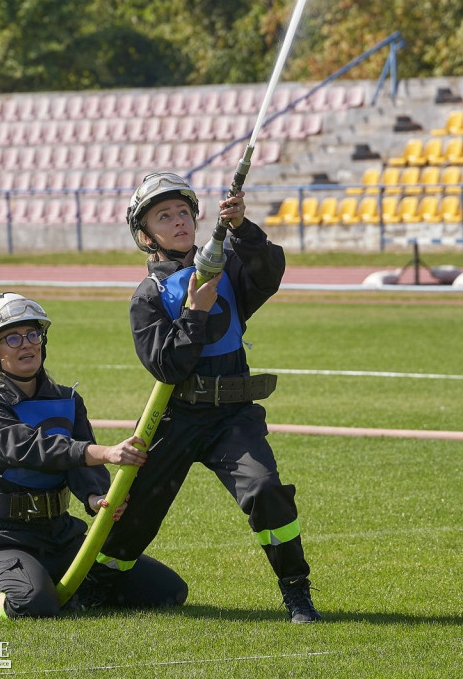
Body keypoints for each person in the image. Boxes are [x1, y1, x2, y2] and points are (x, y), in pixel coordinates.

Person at [94, 172, 321, 623]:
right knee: (133, 515)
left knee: (265, 490)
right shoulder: (147, 297)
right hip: (175, 419)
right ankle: (97, 587)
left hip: (233, 417)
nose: (179, 221)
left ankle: (296, 592)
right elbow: (168, 367)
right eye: (164, 216)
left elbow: (270, 272)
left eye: (184, 212)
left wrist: (243, 228)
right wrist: (195, 315)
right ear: (145, 234)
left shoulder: (228, 265)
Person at [0, 291, 187, 619]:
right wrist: (106, 453)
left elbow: (79, 469)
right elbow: (34, 448)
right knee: (33, 604)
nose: (26, 344)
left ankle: (72, 591)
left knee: (167, 591)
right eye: (12, 338)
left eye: (33, 335)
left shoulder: (69, 399)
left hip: (63, 535)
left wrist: (96, 495)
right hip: (3, 539)